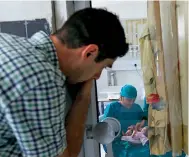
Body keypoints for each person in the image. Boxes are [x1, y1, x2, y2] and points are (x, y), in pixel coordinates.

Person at [0, 8, 129, 157]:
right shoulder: (42, 80)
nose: (97, 76)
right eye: (102, 67)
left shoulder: (9, 42)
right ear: (90, 52)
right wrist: (84, 95)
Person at [103, 84, 150, 157]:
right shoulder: (112, 107)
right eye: (128, 100)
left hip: (135, 139)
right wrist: (120, 134)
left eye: (133, 100)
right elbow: (105, 127)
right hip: (116, 141)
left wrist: (141, 124)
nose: (131, 102)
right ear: (121, 97)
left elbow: (143, 117)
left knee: (148, 151)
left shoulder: (136, 107)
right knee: (132, 154)